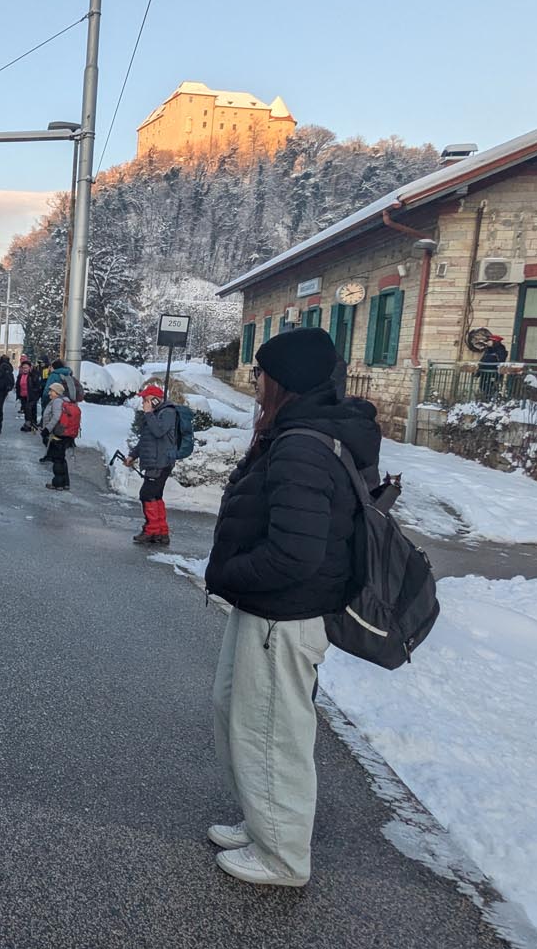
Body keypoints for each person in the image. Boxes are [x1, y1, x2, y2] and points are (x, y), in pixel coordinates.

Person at [203, 326, 381, 888]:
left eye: (261, 372)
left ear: (285, 381)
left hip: (283, 614)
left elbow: (295, 555)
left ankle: (281, 856)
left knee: (270, 731)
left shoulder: (302, 445)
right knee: (239, 713)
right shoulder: (296, 432)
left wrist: (229, 573)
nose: (255, 381)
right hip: (267, 609)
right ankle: (264, 824)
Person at [125, 384, 179, 545]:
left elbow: (159, 431)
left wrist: (148, 413)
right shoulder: (155, 414)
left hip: (160, 462)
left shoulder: (167, 413)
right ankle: (161, 532)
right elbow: (146, 440)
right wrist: (133, 455)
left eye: (145, 399)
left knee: (147, 495)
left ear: (155, 400)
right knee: (155, 495)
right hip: (155, 462)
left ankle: (151, 530)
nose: (143, 403)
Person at [39, 380, 72, 490]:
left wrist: (46, 430)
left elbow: (56, 417)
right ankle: (65, 483)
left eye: (51, 391)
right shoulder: (64, 401)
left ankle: (58, 484)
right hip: (63, 434)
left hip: (57, 434)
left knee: (57, 459)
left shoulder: (57, 402)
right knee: (61, 458)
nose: (49, 393)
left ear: (57, 392)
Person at [16, 361, 36, 431]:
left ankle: (29, 425)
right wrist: (18, 394)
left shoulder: (32, 376)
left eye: (26, 368)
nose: (25, 369)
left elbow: (36, 386)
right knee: (26, 410)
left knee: (29, 410)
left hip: (30, 396)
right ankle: (29, 423)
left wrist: (34, 394)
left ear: (29, 368)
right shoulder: (20, 376)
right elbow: (18, 385)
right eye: (23, 368)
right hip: (23, 396)